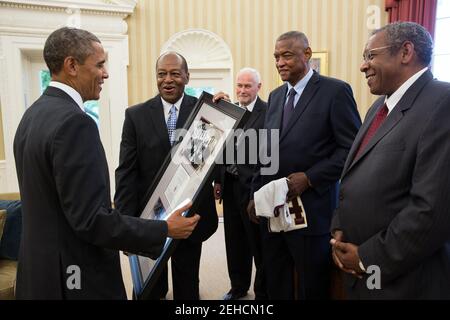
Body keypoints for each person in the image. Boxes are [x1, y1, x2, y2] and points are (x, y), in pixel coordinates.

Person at [13, 27, 199, 300]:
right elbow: (92, 221)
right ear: (72, 66)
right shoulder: (75, 124)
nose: (106, 73)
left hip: (39, 273)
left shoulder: (32, 114)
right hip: (74, 276)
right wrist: (164, 229)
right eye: (99, 64)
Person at [330, 22, 450, 299]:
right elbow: (353, 173)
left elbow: (431, 209)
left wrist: (366, 257)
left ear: (405, 52)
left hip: (405, 280)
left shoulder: (442, 102)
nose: (363, 66)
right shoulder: (379, 106)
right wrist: (339, 226)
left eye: (371, 56)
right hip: (363, 275)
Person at [248, 31, 361, 299]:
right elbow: (267, 149)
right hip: (274, 211)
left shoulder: (335, 91)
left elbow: (352, 150)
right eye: (276, 57)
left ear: (307, 54)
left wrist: (310, 178)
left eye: (287, 55)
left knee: (312, 286)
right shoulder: (275, 97)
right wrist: (256, 192)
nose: (280, 62)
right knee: (277, 282)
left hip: (313, 212)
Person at [114, 51, 218, 300]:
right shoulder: (135, 115)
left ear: (187, 77)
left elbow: (216, 159)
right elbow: (126, 172)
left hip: (189, 218)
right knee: (150, 287)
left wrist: (224, 112)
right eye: (161, 74)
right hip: (150, 218)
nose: (167, 79)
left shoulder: (207, 112)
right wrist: (127, 225)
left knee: (187, 284)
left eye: (174, 73)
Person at [213, 68, 267, 300]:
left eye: (247, 86)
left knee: (257, 244)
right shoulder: (229, 110)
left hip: (253, 189)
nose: (242, 90)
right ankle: (238, 287)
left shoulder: (268, 112)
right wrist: (217, 179)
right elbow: (217, 146)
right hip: (230, 185)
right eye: (239, 86)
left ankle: (263, 291)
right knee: (234, 242)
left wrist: (258, 192)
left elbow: (268, 155)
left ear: (258, 87)